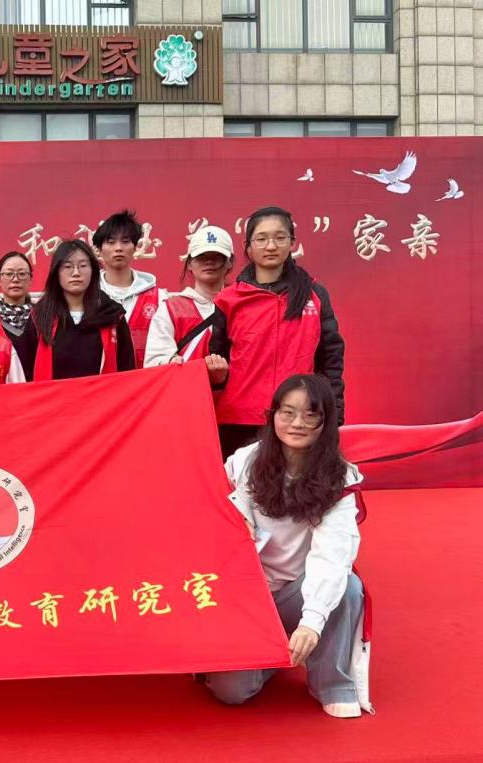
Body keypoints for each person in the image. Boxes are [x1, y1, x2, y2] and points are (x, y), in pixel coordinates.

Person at [206, 374, 368, 719]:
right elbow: (213, 500)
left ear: (326, 422)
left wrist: (311, 622)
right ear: (273, 415)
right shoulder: (246, 461)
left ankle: (332, 683)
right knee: (231, 691)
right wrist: (238, 518)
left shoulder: (340, 478)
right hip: (248, 596)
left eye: (311, 414)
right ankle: (276, 655)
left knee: (348, 586)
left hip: (298, 591)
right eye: (288, 412)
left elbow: (332, 554)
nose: (297, 423)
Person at [210, 206, 345, 458]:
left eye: (280, 237)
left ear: (292, 243)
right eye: (261, 239)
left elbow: (331, 359)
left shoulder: (314, 295)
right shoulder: (229, 299)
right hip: (240, 421)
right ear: (248, 247)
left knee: (299, 483)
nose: (271, 246)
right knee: (242, 483)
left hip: (298, 419)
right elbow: (218, 359)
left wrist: (333, 413)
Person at [15, 239, 135, 381]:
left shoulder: (112, 316)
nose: (76, 273)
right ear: (56, 273)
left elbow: (128, 374)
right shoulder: (39, 317)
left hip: (103, 395)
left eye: (83, 265)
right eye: (68, 266)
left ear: (93, 271)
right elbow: (23, 373)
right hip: (52, 395)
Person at [144, 225, 233, 383]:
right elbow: (154, 365)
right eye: (201, 256)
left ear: (229, 262)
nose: (209, 262)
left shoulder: (240, 306)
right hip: (186, 396)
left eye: (217, 256)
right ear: (190, 264)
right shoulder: (171, 308)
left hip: (233, 397)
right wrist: (173, 364)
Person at [95, 210, 165, 368]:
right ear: (99, 249)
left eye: (125, 241)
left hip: (146, 380)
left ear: (135, 247)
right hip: (101, 381)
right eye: (111, 242)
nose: (118, 248)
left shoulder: (159, 298)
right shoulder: (87, 296)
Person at [0, 251, 34, 340]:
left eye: (22, 274)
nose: (15, 279)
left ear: (30, 279)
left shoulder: (43, 319)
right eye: (9, 274)